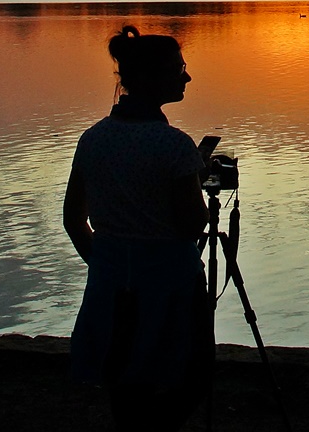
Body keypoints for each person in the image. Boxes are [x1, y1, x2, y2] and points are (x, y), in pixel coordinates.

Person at [64, 25, 214, 432]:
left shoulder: (92, 139)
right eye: (179, 69)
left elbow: (73, 221)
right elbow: (190, 223)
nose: (187, 77)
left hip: (110, 287)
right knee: (193, 373)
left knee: (124, 382)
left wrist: (108, 263)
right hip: (170, 286)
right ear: (150, 79)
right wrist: (196, 186)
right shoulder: (175, 146)